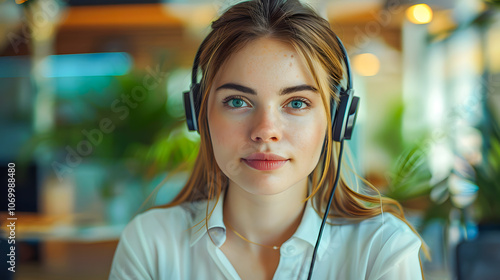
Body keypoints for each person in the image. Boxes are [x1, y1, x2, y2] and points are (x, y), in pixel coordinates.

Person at [109, 0, 427, 279]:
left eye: (297, 103)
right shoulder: (150, 244)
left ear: (337, 119)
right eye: (237, 101)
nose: (265, 130)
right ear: (200, 115)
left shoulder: (384, 250)